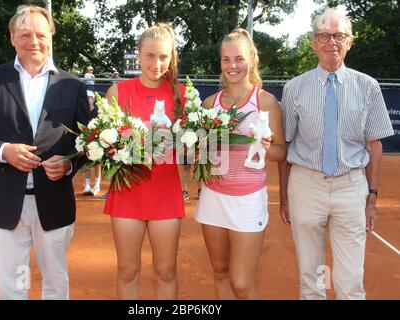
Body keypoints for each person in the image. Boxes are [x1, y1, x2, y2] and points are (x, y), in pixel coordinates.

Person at [0, 5, 90, 300]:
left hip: (55, 201)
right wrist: (5, 151)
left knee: (56, 283)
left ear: (51, 37)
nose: (34, 41)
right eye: (25, 34)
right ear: (12, 38)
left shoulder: (72, 84)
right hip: (5, 202)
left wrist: (69, 166)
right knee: (11, 287)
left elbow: (88, 144)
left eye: (41, 34)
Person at [279, 7, 394, 300]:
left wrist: (373, 196)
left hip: (350, 189)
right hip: (306, 187)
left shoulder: (368, 87)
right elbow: (287, 146)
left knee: (350, 283)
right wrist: (284, 197)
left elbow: (374, 145)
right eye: (324, 36)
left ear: (350, 41)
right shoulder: (294, 89)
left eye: (339, 35)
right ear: (313, 42)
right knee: (312, 279)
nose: (332, 42)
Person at [195, 28, 286, 300]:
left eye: (238, 59)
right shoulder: (210, 103)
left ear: (251, 60)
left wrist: (268, 147)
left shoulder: (265, 102)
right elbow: (202, 151)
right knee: (220, 272)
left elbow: (281, 153)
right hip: (212, 197)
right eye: (225, 59)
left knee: (242, 283)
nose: (232, 66)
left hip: (248, 201)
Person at [104, 23, 185, 299]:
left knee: (166, 271)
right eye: (150, 56)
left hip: (166, 191)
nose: (156, 63)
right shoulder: (118, 92)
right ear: (138, 55)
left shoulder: (182, 95)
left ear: (171, 58)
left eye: (163, 57)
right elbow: (107, 148)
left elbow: (192, 149)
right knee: (127, 270)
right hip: (127, 193)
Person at [81, 90, 101, 196]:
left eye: (89, 97)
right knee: (86, 163)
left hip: (97, 141)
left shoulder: (98, 111)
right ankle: (87, 185)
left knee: (97, 164)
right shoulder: (82, 111)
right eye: (86, 97)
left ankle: (97, 185)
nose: (87, 99)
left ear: (93, 99)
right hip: (86, 140)